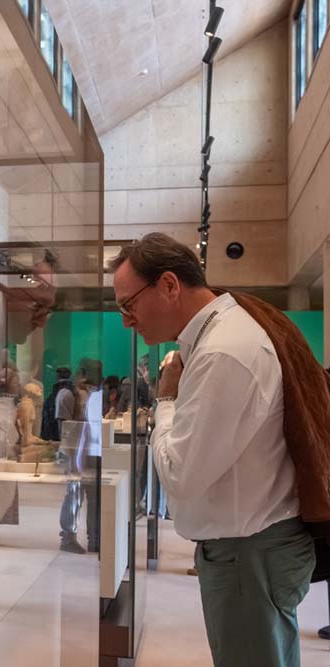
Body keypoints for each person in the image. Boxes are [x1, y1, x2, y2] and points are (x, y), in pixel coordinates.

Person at [110, 232, 314, 667]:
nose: (127, 320)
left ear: (169, 285)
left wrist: (166, 400)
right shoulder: (227, 333)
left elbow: (180, 475)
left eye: (128, 305)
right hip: (250, 551)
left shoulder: (224, 351)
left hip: (248, 555)